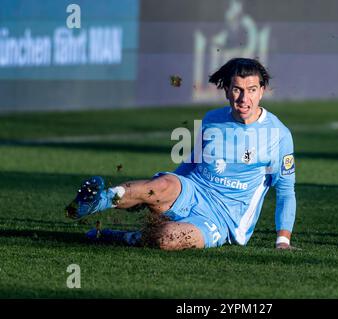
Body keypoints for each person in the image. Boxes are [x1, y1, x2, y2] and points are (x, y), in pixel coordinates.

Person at [65, 58, 297, 250]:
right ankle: (95, 202)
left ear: (262, 91)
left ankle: (121, 237)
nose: (244, 99)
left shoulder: (278, 135)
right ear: (226, 90)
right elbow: (191, 163)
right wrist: (163, 189)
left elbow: (286, 191)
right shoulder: (212, 120)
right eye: (237, 89)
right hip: (193, 189)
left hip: (223, 219)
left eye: (252, 90)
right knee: (159, 186)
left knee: (167, 239)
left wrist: (283, 241)